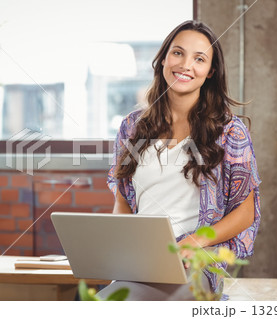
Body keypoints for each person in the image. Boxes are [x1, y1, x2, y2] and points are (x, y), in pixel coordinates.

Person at [100, 20, 261, 300]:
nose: (186, 65)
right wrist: (122, 248)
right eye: (178, 53)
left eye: (199, 59)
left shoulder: (230, 131)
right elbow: (123, 200)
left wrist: (194, 243)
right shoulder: (131, 127)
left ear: (210, 71)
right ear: (163, 59)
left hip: (196, 263)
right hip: (140, 263)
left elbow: (246, 213)